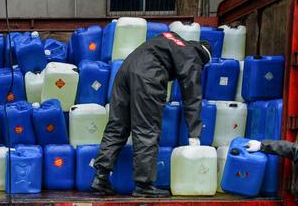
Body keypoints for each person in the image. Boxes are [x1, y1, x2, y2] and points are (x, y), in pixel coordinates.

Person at [91, 32, 212, 197]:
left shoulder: (171, 38)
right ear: (203, 56)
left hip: (125, 70)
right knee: (146, 128)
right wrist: (194, 134)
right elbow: (192, 97)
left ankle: (101, 177)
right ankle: (144, 185)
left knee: (118, 125)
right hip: (148, 74)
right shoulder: (193, 56)